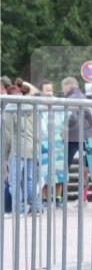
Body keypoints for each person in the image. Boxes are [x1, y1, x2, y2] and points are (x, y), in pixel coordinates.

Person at [2, 84, 38, 213]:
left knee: (15, 180)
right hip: (32, 149)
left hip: (17, 150)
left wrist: (4, 156)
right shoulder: (32, 106)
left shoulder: (10, 109)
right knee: (29, 179)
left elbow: (7, 135)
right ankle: (35, 206)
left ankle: (19, 208)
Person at [62, 77, 92, 203]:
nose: (63, 90)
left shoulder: (69, 99)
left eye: (63, 87)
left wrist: (63, 125)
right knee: (86, 168)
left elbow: (72, 118)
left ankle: (62, 197)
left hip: (72, 137)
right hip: (86, 136)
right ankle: (83, 197)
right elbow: (90, 117)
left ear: (68, 86)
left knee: (65, 167)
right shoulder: (84, 97)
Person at [37, 81, 66, 207]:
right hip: (44, 144)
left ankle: (58, 198)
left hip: (58, 143)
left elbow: (66, 120)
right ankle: (44, 199)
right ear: (42, 92)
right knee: (44, 173)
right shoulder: (37, 106)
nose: (50, 93)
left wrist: (64, 134)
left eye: (51, 90)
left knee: (60, 174)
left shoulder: (57, 105)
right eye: (47, 90)